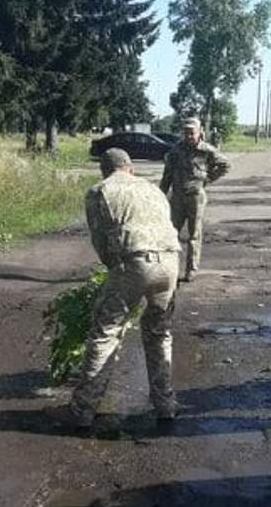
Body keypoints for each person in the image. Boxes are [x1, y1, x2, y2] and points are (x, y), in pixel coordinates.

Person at [68, 148, 181, 430]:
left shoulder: (100, 191)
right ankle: (165, 404)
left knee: (106, 332)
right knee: (159, 332)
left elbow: (101, 241)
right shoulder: (153, 189)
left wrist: (114, 271)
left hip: (135, 263)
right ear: (130, 168)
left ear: (105, 170)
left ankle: (83, 410)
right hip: (171, 263)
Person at [160, 116, 229, 282]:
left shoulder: (206, 150)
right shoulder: (176, 150)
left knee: (194, 235)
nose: (189, 136)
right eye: (186, 133)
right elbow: (167, 174)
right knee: (171, 234)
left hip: (195, 197)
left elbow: (225, 165)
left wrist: (207, 179)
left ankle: (191, 269)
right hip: (177, 197)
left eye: (192, 132)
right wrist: (161, 195)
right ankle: (171, 269)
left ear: (199, 133)